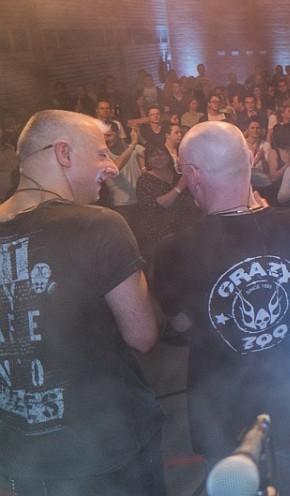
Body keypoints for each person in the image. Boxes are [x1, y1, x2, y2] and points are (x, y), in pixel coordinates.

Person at [151, 121, 290, 496]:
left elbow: (181, 322)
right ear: (251, 160)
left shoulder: (174, 249)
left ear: (193, 174)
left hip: (223, 415)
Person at [0, 110, 165, 495]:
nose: (112, 167)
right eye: (102, 154)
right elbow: (142, 335)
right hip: (110, 452)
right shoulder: (99, 224)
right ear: (64, 153)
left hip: (23, 458)